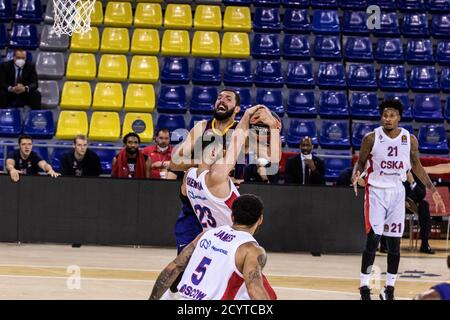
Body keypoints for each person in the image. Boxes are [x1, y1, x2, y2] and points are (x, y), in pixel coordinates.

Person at [352, 99, 446, 300]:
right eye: (385, 115)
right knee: (374, 239)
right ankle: (364, 287)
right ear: (381, 117)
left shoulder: (409, 139)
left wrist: (433, 190)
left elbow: (417, 166)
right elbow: (360, 163)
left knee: (395, 243)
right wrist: (355, 175)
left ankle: (389, 289)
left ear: (399, 118)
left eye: (392, 115)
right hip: (376, 191)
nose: (388, 119)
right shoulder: (371, 138)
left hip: (397, 191)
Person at [149, 194, 277, 300]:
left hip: (182, 298)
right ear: (260, 219)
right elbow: (255, 290)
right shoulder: (251, 250)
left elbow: (173, 268)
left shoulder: (206, 234)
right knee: (267, 295)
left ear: (232, 216)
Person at [379, 171, 435, 254]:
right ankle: (384, 244)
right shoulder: (396, 170)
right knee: (388, 205)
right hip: (397, 199)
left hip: (412, 202)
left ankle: (425, 244)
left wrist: (412, 184)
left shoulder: (418, 172)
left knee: (424, 206)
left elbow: (421, 194)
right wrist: (403, 199)